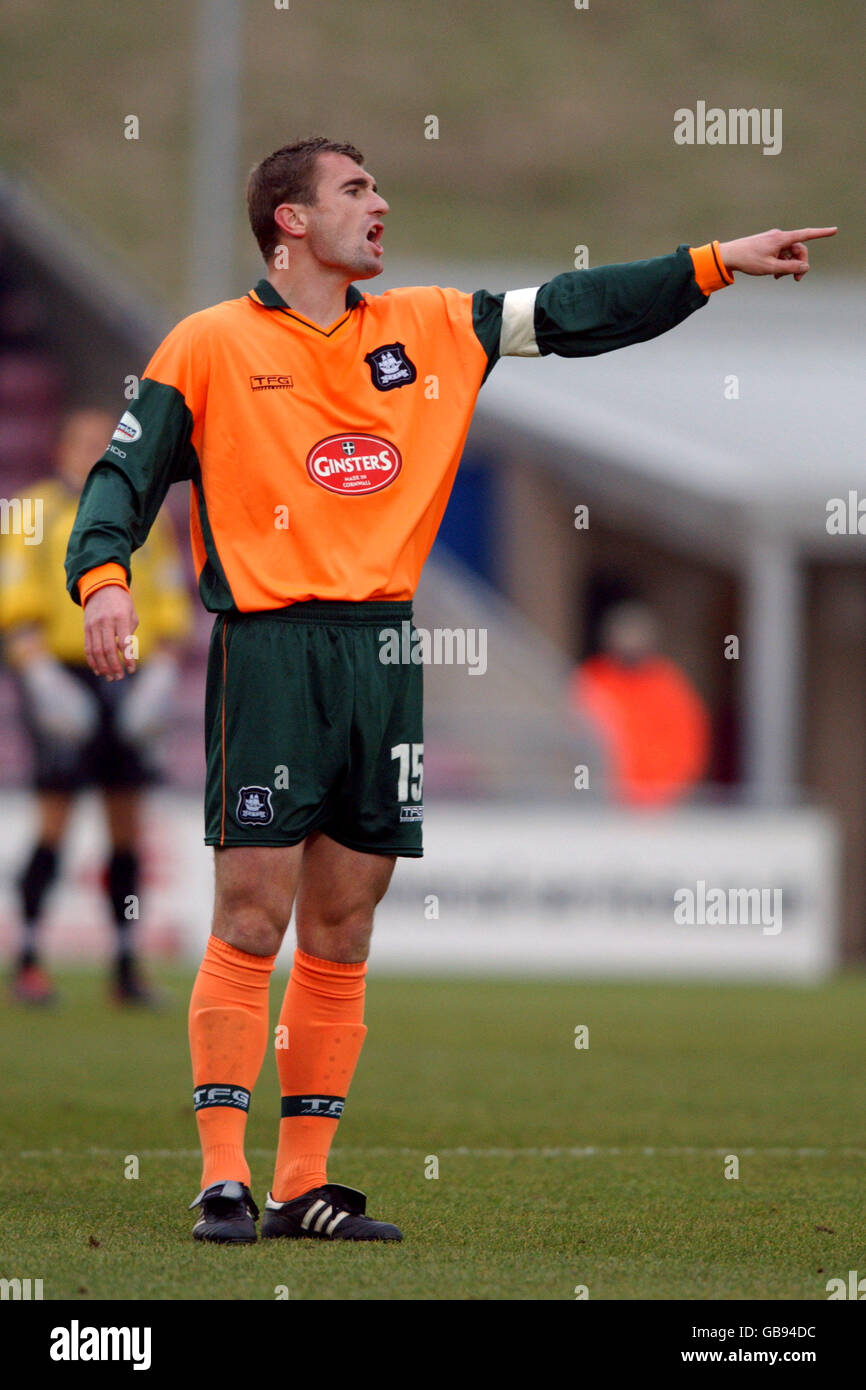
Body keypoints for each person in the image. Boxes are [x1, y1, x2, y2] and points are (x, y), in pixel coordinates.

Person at [63, 135, 836, 1243]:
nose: (379, 204)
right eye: (353, 189)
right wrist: (101, 580)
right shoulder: (208, 345)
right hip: (272, 650)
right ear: (288, 220)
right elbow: (120, 478)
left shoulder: (431, 326)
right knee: (252, 911)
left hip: (382, 651)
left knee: (343, 924)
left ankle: (301, 1185)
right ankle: (223, 1174)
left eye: (376, 185)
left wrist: (711, 261)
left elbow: (575, 308)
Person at [1, 407, 191, 1004]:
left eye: (101, 441)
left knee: (126, 822)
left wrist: (160, 673)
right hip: (59, 670)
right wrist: (37, 676)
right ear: (59, 448)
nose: (92, 451)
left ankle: (126, 967)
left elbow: (165, 598)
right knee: (54, 817)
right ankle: (29, 958)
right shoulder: (32, 510)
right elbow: (14, 596)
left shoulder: (139, 513)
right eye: (82, 439)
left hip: (126, 674)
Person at [571, 599, 710, 806]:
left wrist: (666, 789)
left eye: (636, 636)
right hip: (603, 800)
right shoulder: (594, 679)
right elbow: (577, 733)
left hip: (658, 802)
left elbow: (688, 742)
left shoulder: (668, 684)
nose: (630, 643)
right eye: (624, 636)